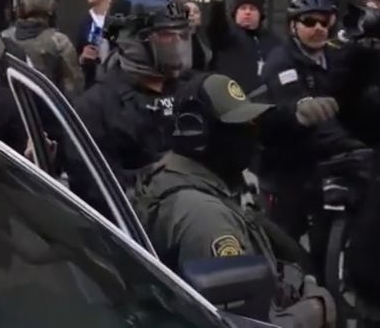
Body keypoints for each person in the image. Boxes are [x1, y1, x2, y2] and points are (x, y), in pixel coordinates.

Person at [134, 72, 336, 328]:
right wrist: (316, 309)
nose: (251, 134)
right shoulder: (207, 220)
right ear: (197, 135)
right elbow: (241, 323)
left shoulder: (171, 174)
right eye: (240, 126)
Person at [258, 0, 369, 239]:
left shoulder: (335, 56)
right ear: (292, 26)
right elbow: (300, 109)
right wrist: (350, 144)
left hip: (324, 164)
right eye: (309, 22)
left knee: (326, 237)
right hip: (286, 165)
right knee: (284, 240)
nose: (318, 28)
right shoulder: (281, 62)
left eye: (324, 21)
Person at [72, 0, 191, 188]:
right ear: (130, 41)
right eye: (166, 34)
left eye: (182, 34)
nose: (177, 42)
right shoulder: (95, 108)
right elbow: (95, 188)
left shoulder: (194, 92)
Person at [2, 0, 82, 97]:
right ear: (51, 8)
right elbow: (74, 87)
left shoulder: (4, 37)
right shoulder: (59, 41)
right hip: (46, 109)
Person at [207, 0, 281, 93]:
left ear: (260, 15)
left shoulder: (274, 41)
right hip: (232, 97)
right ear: (235, 14)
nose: (247, 12)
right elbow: (216, 24)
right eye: (243, 8)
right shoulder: (226, 36)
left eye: (252, 9)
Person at [73, 0, 117, 90]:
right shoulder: (85, 22)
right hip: (94, 83)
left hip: (119, 82)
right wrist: (83, 57)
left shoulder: (121, 17)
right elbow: (77, 54)